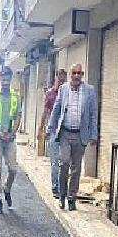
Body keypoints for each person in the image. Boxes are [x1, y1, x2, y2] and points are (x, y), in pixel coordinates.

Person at [47, 64, 98, 211]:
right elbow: (56, 109)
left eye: (80, 73)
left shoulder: (89, 91)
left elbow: (93, 114)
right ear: (70, 74)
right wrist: (51, 128)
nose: (77, 76)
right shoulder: (63, 89)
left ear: (82, 75)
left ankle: (71, 198)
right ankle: (62, 196)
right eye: (74, 73)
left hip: (80, 135)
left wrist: (93, 135)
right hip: (65, 133)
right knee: (64, 162)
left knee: (76, 169)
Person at [0, 67, 22, 215]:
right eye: (4, 79)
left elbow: (19, 116)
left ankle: (7, 189)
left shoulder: (16, 96)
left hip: (10, 137)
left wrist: (12, 133)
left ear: (11, 79)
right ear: (1, 79)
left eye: (8, 79)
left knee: (13, 169)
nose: (6, 82)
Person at [38, 69, 67, 199]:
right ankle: (56, 188)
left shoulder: (67, 93)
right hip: (54, 131)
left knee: (64, 161)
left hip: (65, 132)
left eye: (63, 80)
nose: (61, 82)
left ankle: (62, 187)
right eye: (59, 80)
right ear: (55, 78)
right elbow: (45, 112)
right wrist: (41, 129)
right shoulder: (50, 94)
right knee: (55, 161)